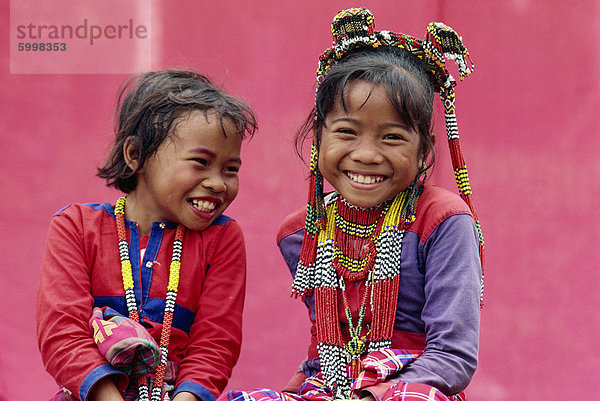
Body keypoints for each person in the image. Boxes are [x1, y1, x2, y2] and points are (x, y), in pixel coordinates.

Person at [222, 8, 484, 401]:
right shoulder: (303, 233)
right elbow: (323, 352)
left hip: (409, 391)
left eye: (392, 137)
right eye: (346, 132)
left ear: (423, 150)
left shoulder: (442, 222)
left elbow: (453, 356)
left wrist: (372, 395)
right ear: (319, 139)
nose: (365, 154)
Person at [36, 70, 257, 401]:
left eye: (231, 169)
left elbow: (215, 344)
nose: (217, 183)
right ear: (135, 155)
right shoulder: (76, 227)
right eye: (200, 162)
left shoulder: (222, 238)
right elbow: (61, 334)